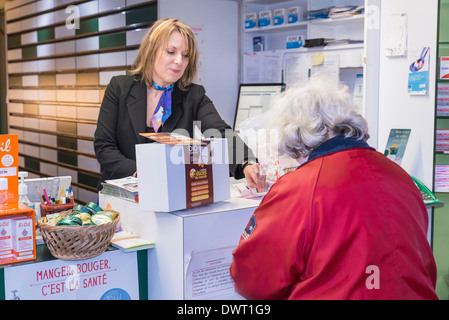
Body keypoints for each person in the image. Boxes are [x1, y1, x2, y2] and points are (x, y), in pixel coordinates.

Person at [230, 76, 438, 300]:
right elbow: (422, 266)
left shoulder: (299, 187)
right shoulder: (401, 177)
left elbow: (253, 280)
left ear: (297, 136)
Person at [94, 18, 259, 189]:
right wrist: (140, 171)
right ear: (151, 51)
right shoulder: (120, 88)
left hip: (169, 191)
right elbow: (104, 145)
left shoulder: (193, 95)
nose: (179, 61)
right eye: (171, 52)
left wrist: (246, 162)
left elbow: (219, 132)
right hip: (120, 193)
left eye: (185, 55)